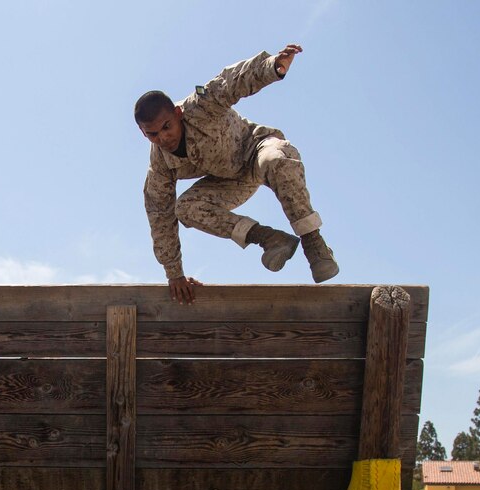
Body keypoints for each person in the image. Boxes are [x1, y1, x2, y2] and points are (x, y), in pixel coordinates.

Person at [135, 44, 339, 305]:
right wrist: (175, 274)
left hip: (255, 150)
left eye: (167, 127)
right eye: (153, 134)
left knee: (277, 160)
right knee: (185, 208)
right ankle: (270, 239)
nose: (163, 137)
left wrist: (272, 66)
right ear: (143, 134)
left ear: (177, 114)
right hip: (230, 181)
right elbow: (159, 215)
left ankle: (314, 243)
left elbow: (231, 81)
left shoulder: (200, 105)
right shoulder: (160, 164)